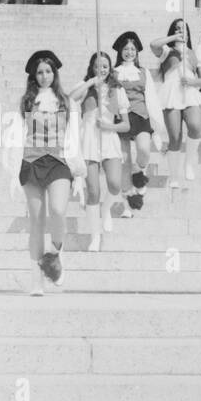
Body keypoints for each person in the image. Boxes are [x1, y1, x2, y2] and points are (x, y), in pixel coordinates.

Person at [15, 50, 79, 294]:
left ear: (55, 73)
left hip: (58, 162)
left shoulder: (65, 100)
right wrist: (14, 170)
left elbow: (74, 135)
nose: (44, 76)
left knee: (58, 210)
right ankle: (36, 281)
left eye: (48, 71)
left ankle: (54, 255)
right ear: (34, 75)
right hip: (31, 161)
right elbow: (18, 135)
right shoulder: (27, 101)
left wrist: (77, 165)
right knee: (37, 222)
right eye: (40, 72)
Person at [69, 51, 130, 252]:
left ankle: (106, 209)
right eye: (97, 66)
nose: (101, 69)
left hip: (109, 138)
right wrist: (90, 83)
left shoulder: (117, 90)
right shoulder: (85, 86)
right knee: (93, 191)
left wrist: (109, 127)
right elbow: (71, 99)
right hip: (88, 139)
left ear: (110, 68)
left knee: (114, 184)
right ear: (91, 68)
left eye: (104, 66)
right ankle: (95, 236)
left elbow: (126, 126)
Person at [149, 18, 201, 188]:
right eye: (177, 28)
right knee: (175, 137)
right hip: (171, 93)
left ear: (189, 33)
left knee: (195, 126)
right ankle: (174, 176)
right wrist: (173, 37)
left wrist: (191, 82)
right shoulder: (167, 51)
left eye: (184, 29)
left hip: (189, 91)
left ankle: (189, 162)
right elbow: (153, 44)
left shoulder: (194, 53)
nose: (181, 31)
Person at [111, 31, 165, 215]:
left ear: (137, 52)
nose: (129, 52)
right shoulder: (114, 73)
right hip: (121, 118)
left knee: (143, 150)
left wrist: (156, 125)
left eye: (132, 49)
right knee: (124, 160)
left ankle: (139, 171)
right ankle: (128, 202)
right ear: (120, 52)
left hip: (141, 115)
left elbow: (151, 97)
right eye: (125, 49)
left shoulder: (143, 72)